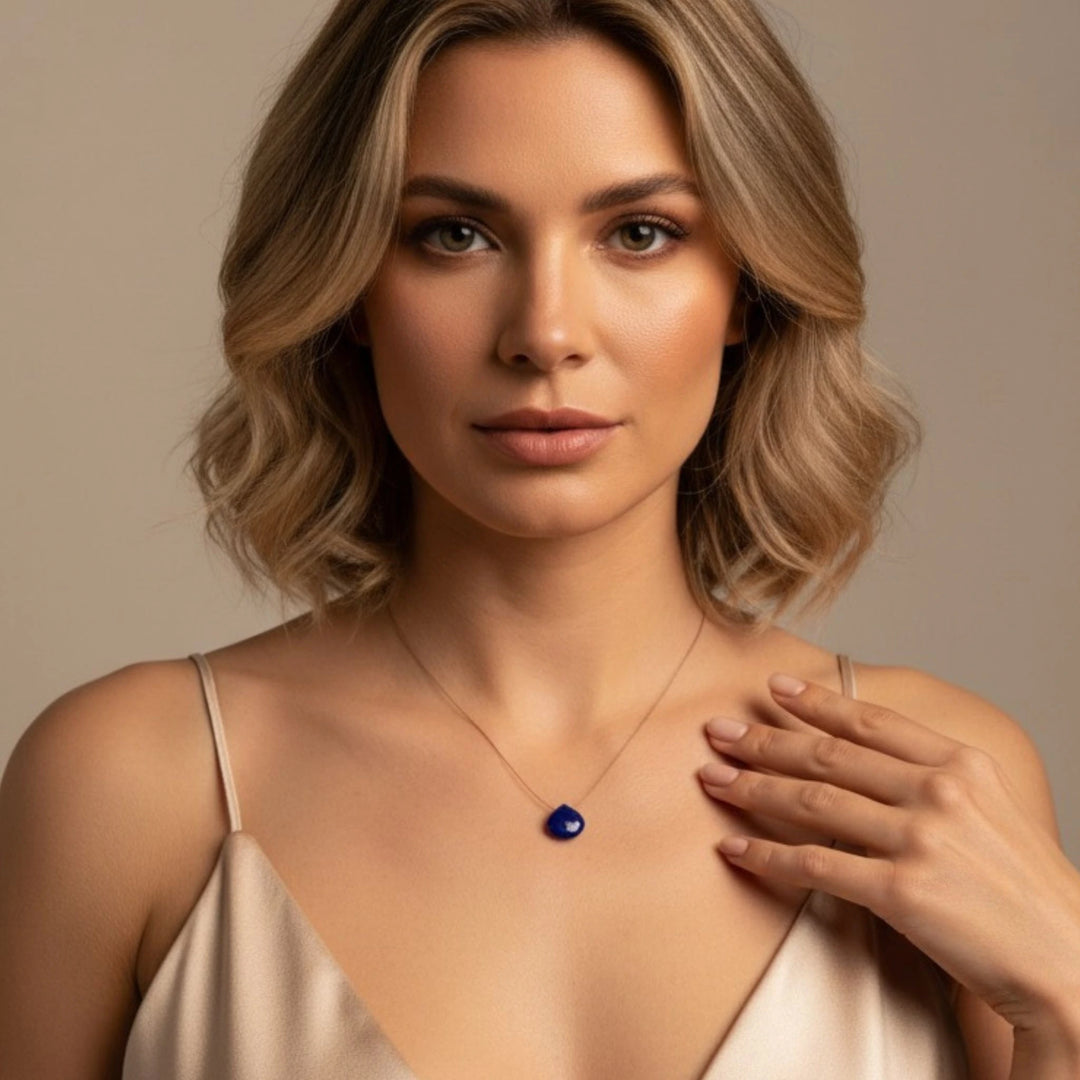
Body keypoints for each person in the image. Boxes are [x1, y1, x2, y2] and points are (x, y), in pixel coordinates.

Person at [2, 0, 1078, 1077]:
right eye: (453, 235)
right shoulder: (132, 785)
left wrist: (1069, 1001)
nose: (546, 334)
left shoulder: (930, 781)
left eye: (640, 233)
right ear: (351, 290)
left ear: (747, 287)